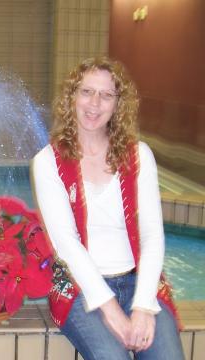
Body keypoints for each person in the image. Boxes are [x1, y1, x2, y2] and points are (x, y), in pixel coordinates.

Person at [31, 57, 184, 360]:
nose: (95, 103)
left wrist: (142, 306)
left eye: (106, 95)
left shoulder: (140, 155)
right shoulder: (47, 162)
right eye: (87, 91)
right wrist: (112, 311)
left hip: (138, 281)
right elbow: (67, 244)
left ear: (118, 104)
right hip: (80, 289)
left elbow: (153, 234)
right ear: (71, 96)